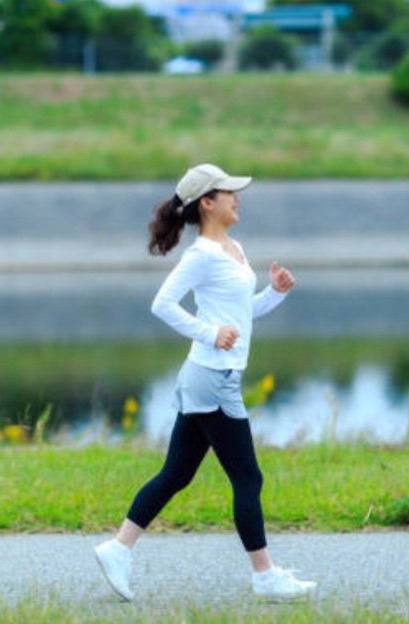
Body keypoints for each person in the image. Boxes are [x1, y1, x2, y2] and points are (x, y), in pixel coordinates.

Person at [93, 163, 316, 602]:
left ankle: (118, 548)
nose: (238, 197)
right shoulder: (200, 256)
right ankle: (265, 576)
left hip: (206, 376)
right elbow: (162, 304)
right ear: (207, 203)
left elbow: (239, 315)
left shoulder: (233, 247)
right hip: (213, 379)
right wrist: (209, 333)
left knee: (176, 472)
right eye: (229, 191)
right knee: (248, 479)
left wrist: (274, 293)